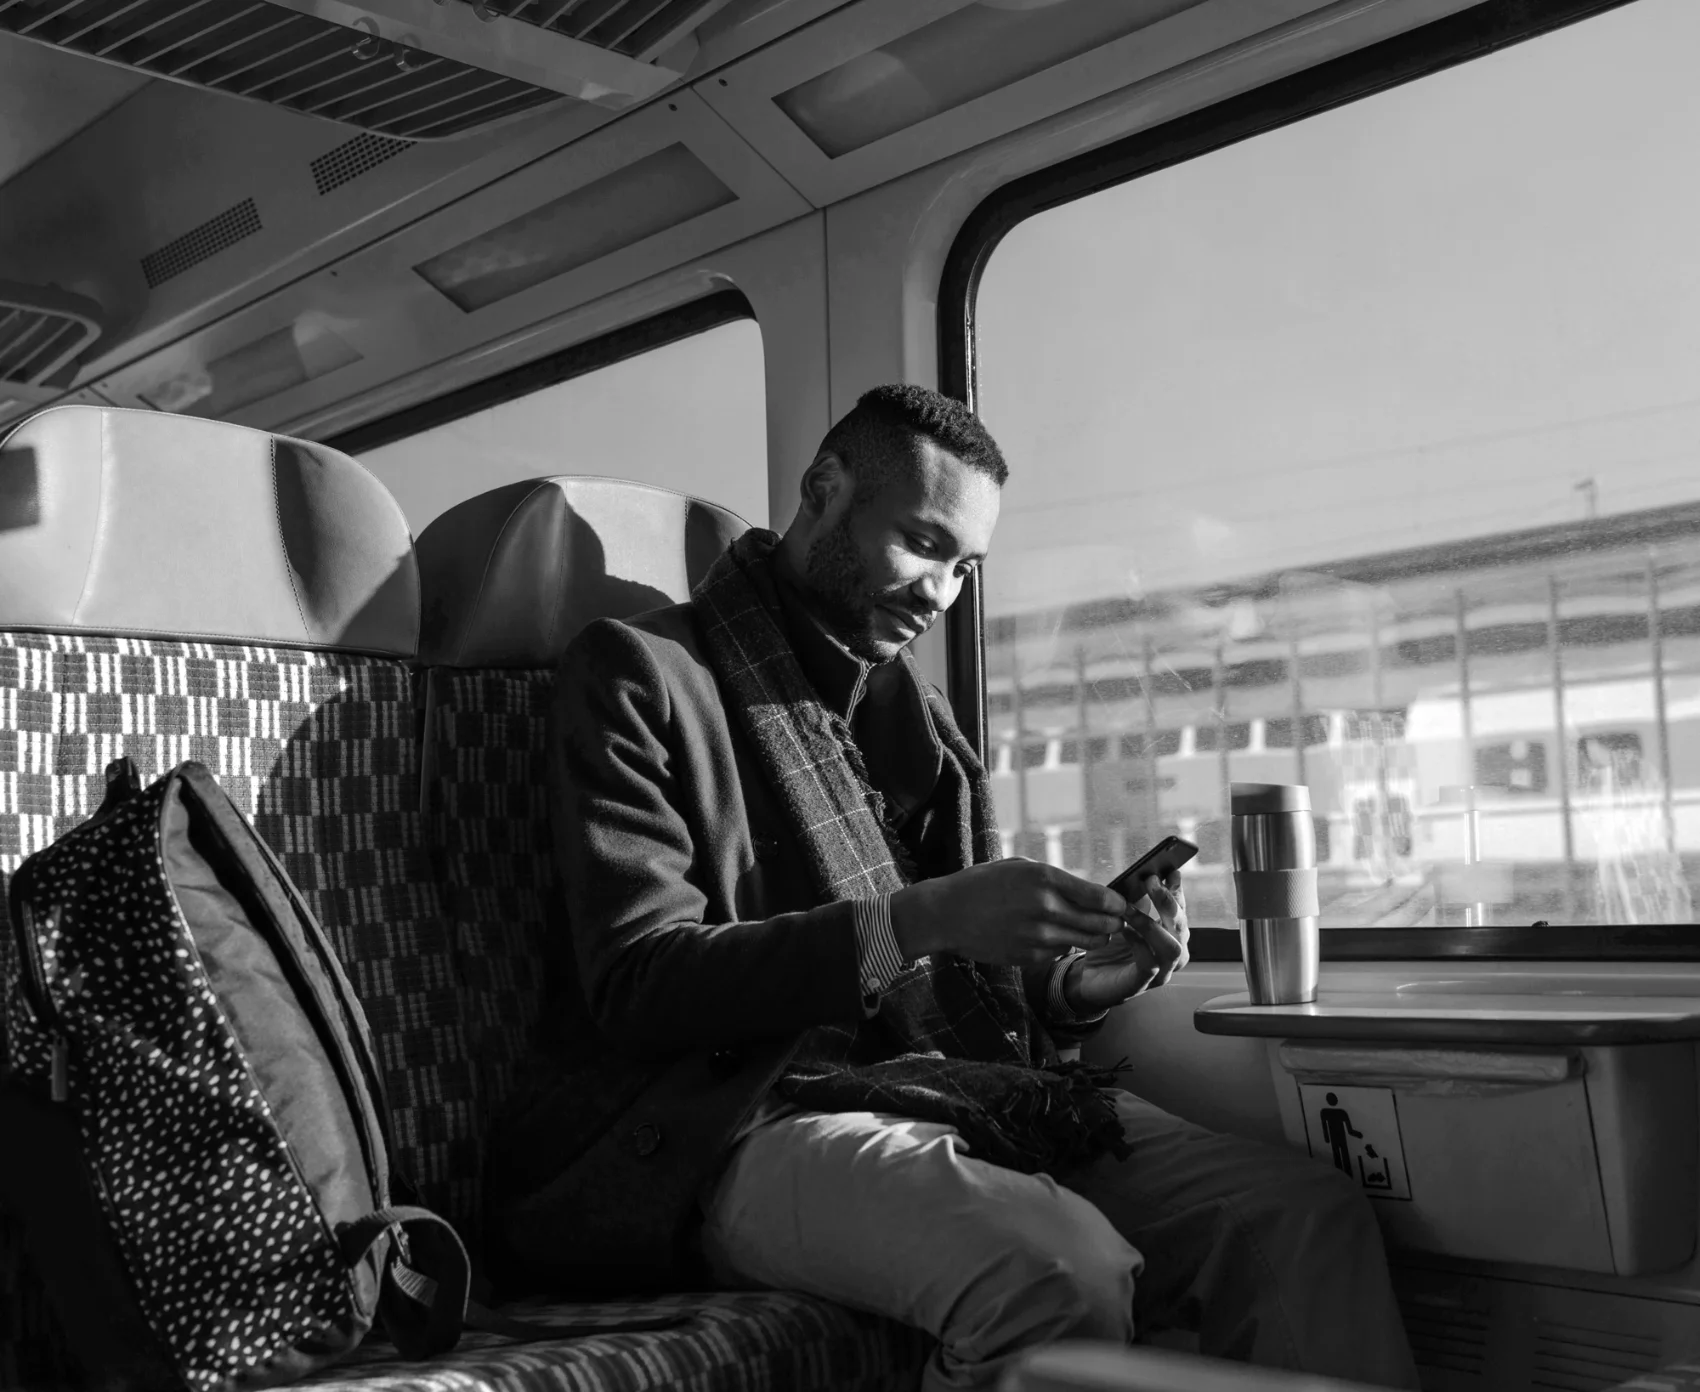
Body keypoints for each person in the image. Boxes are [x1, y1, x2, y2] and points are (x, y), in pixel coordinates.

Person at [486, 384, 1420, 1392]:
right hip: (737, 1113)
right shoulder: (641, 674)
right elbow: (639, 981)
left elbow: (958, 981)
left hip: (944, 1083)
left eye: (965, 567)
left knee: (1298, 1218)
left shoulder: (916, 720)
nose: (942, 593)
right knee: (1056, 1272)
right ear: (823, 490)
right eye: (924, 544)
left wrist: (1078, 986)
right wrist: (922, 918)